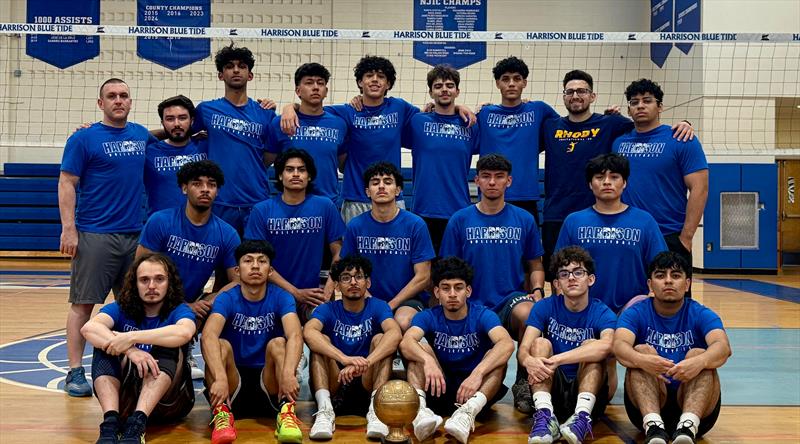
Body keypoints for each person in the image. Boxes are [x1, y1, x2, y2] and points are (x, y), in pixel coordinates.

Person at [280, 55, 474, 222]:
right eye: (369, 76)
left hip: (392, 198)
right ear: (360, 82)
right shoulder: (346, 112)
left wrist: (459, 107)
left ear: (388, 84)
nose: (375, 80)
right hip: (355, 198)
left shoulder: (400, 107)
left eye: (381, 76)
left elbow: (435, 111)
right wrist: (290, 107)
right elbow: (312, 108)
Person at [540, 70, 692, 281]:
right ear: (564, 96)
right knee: (561, 277)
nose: (575, 96)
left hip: (594, 215)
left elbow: (646, 125)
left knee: (597, 274)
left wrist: (685, 123)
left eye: (582, 91)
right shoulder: (549, 126)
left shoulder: (610, 124)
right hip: (556, 214)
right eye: (570, 92)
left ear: (592, 96)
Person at [59, 77, 152, 397]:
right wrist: (68, 228)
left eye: (124, 95)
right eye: (111, 96)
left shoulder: (141, 134)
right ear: (101, 103)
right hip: (95, 235)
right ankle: (74, 371)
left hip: (134, 236)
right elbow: (67, 182)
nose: (118, 100)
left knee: (135, 304)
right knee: (83, 304)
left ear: (131, 102)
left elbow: (161, 136)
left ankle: (134, 364)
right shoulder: (84, 138)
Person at [439, 153, 545, 413]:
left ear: (509, 181)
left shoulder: (524, 219)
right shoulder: (460, 220)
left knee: (529, 313)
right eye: (486, 177)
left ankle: (523, 382)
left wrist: (537, 292)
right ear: (477, 181)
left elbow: (535, 264)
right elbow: (447, 269)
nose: (492, 182)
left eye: (499, 177)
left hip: (510, 298)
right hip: (471, 301)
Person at [614, 252, 731, 444]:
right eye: (660, 275)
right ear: (650, 285)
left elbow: (723, 347)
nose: (668, 281)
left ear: (687, 284)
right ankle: (653, 425)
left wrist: (699, 362)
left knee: (699, 354)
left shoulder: (700, 313)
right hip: (645, 408)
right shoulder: (636, 313)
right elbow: (619, 346)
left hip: (698, 411)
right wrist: (643, 360)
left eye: (676, 276)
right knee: (641, 351)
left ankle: (688, 426)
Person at [80, 253, 196, 444]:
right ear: (134, 284)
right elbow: (89, 328)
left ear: (169, 282)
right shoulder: (122, 307)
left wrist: (131, 337)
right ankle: (110, 422)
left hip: (169, 403)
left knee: (168, 345)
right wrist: (131, 350)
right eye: (144, 280)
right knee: (105, 345)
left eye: (159, 279)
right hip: (126, 402)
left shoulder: (178, 309)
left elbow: (184, 333)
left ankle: (138, 423)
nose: (152, 286)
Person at [400, 256, 514, 443]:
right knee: (419, 351)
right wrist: (428, 361)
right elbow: (406, 342)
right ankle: (420, 413)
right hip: (439, 388)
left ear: (468, 291)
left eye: (458, 287)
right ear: (437, 292)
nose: (452, 294)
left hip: (474, 391)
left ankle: (467, 414)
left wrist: (478, 373)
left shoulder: (483, 315)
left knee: (495, 357)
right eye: (446, 288)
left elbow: (506, 343)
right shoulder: (428, 316)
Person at [201, 240, 304, 444]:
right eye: (248, 261)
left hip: (270, 381)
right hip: (233, 383)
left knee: (279, 343)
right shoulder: (226, 298)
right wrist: (220, 378)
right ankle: (222, 414)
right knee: (220, 344)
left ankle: (286, 412)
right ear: (237, 271)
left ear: (270, 270)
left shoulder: (282, 297)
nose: (255, 266)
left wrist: (288, 373)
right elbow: (208, 335)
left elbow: (295, 334)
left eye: (262, 261)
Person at [613, 79, 708, 283]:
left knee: (672, 297)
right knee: (630, 295)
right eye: (634, 102)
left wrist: (686, 237)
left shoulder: (681, 139)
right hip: (627, 235)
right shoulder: (618, 143)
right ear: (628, 110)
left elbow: (700, 188)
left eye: (647, 101)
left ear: (660, 106)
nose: (640, 106)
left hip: (669, 235)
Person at [519, 246, 616, 444]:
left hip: (589, 392)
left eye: (578, 272)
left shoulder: (602, 312)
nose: (571, 278)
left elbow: (607, 346)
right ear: (557, 284)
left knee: (592, 346)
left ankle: (582, 417)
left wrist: (558, 359)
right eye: (564, 274)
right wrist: (528, 361)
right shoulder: (544, 306)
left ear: (590, 279)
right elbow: (523, 349)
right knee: (539, 343)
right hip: (553, 388)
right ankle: (545, 416)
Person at [304, 255, 401, 440]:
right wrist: (344, 359)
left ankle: (377, 411)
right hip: (335, 381)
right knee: (320, 340)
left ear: (368, 282)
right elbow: (308, 332)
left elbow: (395, 333)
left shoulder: (378, 306)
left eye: (359, 277)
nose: (353, 282)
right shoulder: (328, 309)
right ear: (337, 285)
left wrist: (365, 363)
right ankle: (324, 411)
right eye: (346, 278)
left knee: (381, 338)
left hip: (367, 380)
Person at [555, 153, 667, 313]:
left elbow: (661, 265)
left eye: (614, 177)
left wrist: (652, 296)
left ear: (624, 182)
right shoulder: (573, 222)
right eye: (599, 177)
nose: (607, 182)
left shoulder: (645, 221)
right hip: (585, 311)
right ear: (590, 184)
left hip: (632, 312)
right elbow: (560, 268)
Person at [245, 149, 345, 324]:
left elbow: (339, 251)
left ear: (309, 176)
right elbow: (257, 261)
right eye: (289, 169)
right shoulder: (262, 210)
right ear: (280, 176)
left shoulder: (325, 206)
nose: (296, 174)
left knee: (321, 328)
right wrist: (295, 293)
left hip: (313, 295)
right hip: (272, 294)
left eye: (302, 170)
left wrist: (330, 286)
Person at [190, 44, 277, 234]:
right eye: (229, 66)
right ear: (221, 75)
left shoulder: (266, 113)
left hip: (256, 200)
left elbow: (272, 152)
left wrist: (252, 166)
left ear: (250, 75)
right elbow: (181, 136)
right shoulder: (206, 110)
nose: (236, 70)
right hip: (219, 201)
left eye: (242, 66)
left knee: (256, 253)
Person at [340, 161, 435, 331]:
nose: (381, 186)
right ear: (368, 192)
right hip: (365, 298)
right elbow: (348, 271)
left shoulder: (415, 225)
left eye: (388, 182)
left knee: (402, 321)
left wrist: (390, 305)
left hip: (406, 300)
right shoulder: (355, 226)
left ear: (398, 190)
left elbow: (423, 276)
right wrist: (373, 303)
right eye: (375, 183)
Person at [138, 160, 240, 313]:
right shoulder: (160, 221)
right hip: (153, 302)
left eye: (211, 185)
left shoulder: (228, 234)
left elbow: (237, 281)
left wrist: (211, 301)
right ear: (184, 188)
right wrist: (183, 307)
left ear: (217, 191)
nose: (205, 189)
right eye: (197, 184)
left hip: (193, 308)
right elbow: (140, 272)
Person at [404, 65, 480, 252]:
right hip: (423, 210)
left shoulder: (471, 124)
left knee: (455, 267)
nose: (444, 90)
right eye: (438, 86)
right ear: (431, 93)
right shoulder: (417, 121)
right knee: (424, 267)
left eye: (450, 85)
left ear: (457, 91)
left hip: (458, 210)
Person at [476, 56, 559, 223]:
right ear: (497, 83)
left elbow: (565, 130)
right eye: (505, 79)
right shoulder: (484, 114)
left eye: (517, 78)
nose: (511, 83)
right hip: (490, 196)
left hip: (525, 195)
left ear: (524, 83)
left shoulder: (538, 109)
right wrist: (457, 107)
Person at [266, 63, 347, 203]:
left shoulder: (339, 124)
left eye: (320, 83)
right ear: (298, 91)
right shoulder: (281, 123)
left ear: (326, 91)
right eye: (309, 83)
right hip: (290, 203)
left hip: (328, 202)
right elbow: (264, 163)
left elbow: (343, 165)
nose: (315, 87)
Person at [144, 95, 208, 216]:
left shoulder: (206, 146)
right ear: (162, 123)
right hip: (161, 224)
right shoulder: (149, 151)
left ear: (192, 120)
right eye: (170, 119)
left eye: (182, 118)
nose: (177, 124)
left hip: (198, 222)